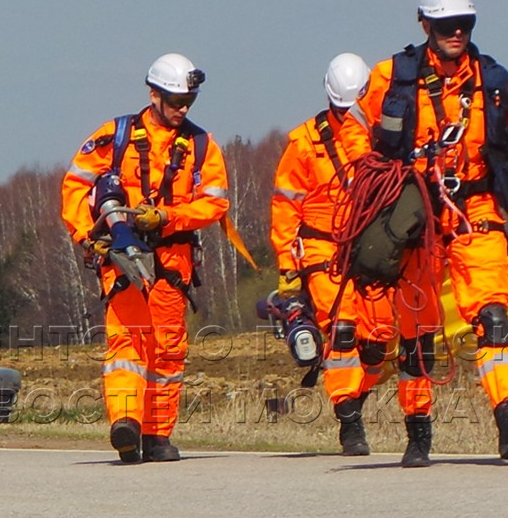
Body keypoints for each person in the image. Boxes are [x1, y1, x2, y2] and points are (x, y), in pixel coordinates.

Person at [358, 0, 508, 465]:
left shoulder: (493, 82)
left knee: (493, 315)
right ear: (425, 24)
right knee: (417, 330)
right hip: (414, 219)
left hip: (476, 210)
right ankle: (417, 433)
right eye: (447, 25)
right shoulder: (390, 78)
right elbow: (359, 142)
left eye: (465, 23)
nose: (457, 33)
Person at [60, 53, 230, 463]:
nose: (183, 109)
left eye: (189, 101)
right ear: (154, 95)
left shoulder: (202, 146)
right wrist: (89, 237)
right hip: (120, 258)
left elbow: (216, 202)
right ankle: (126, 423)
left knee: (168, 349)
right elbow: (75, 186)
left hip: (172, 260)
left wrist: (168, 217)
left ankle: (157, 435)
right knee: (127, 340)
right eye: (176, 101)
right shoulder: (114, 136)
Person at [272, 52, 439, 456]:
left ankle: (354, 399)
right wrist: (288, 264)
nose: (348, 117)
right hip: (322, 245)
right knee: (341, 327)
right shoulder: (304, 142)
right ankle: (348, 418)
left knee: (378, 339)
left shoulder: (382, 137)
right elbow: (285, 205)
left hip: (367, 246)